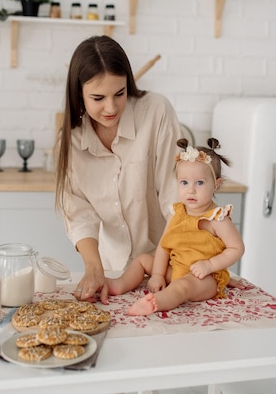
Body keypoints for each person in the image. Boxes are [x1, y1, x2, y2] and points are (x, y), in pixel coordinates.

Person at [55, 35, 182, 304]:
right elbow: (78, 213)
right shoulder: (72, 140)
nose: (111, 108)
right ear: (79, 93)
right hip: (113, 271)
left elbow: (176, 198)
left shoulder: (156, 111)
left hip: (169, 266)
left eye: (119, 94)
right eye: (98, 98)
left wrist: (159, 268)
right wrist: (94, 268)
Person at [107, 138, 245, 316]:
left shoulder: (217, 218)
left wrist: (210, 265)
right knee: (142, 259)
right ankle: (119, 284)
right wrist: (157, 274)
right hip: (176, 269)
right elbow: (165, 245)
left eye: (200, 183)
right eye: (184, 182)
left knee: (183, 286)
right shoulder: (177, 213)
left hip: (203, 278)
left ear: (216, 185)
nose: (191, 190)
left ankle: (156, 302)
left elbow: (236, 248)